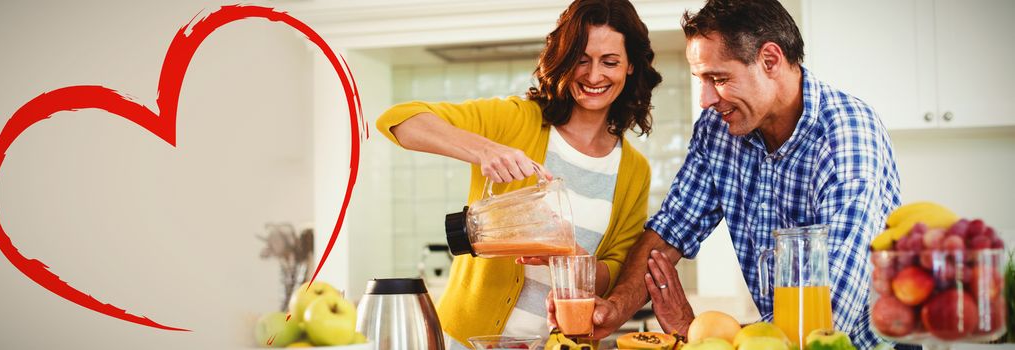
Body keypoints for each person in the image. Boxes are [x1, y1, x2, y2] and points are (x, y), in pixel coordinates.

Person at [547, 0, 902, 348]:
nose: (704, 99)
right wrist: (616, 309)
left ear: (770, 60)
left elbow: (829, 315)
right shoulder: (719, 130)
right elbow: (670, 231)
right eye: (700, 79)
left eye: (718, 78)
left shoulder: (847, 135)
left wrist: (699, 333)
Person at [376, 0, 661, 347]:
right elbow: (400, 120)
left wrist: (569, 255)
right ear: (565, 59)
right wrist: (485, 149)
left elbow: (613, 274)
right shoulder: (517, 121)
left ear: (630, 66)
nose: (594, 75)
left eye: (610, 62)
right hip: (466, 342)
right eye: (581, 60)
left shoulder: (634, 170)